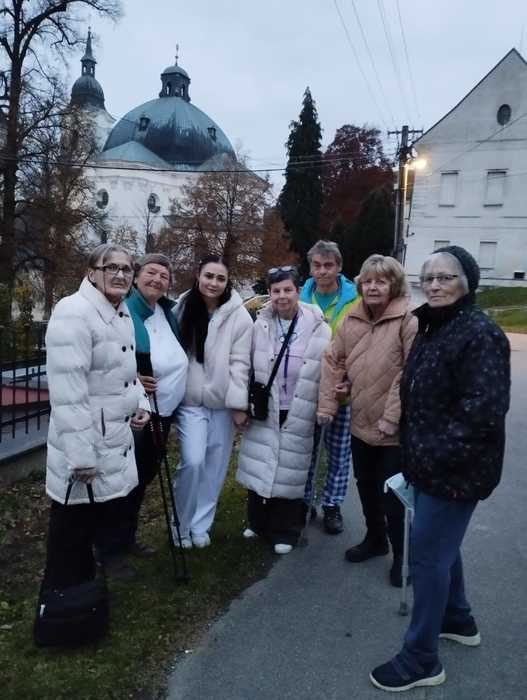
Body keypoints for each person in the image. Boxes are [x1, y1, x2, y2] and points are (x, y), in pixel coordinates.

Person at [370, 246, 510, 692]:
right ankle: (458, 619)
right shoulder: (435, 327)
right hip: (429, 464)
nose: (433, 285)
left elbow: (481, 414)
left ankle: (421, 660)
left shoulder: (479, 334)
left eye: (445, 277)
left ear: (467, 282)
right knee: (441, 547)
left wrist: (429, 456)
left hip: (455, 470)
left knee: (428, 557)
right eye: (427, 277)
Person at [42, 243, 151, 590]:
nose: (120, 274)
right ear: (92, 273)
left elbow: (126, 374)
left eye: (127, 269)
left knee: (101, 517)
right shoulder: (73, 312)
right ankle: (62, 603)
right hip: (85, 444)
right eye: (111, 268)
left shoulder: (120, 311)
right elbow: (67, 393)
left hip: (113, 438)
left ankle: (88, 595)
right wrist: (80, 457)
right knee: (70, 532)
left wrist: (141, 404)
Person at [317, 254, 417, 586]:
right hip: (360, 420)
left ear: (394, 285)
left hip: (393, 429)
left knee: (393, 495)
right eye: (368, 281)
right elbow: (334, 358)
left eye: (381, 281)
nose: (373, 287)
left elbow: (410, 372)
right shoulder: (353, 317)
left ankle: (403, 556)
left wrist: (392, 417)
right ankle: (376, 539)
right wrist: (332, 400)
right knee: (366, 486)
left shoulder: (408, 319)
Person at [236, 266, 331, 554]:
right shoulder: (261, 324)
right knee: (259, 461)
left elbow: (330, 369)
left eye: (288, 289)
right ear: (269, 293)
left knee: (291, 470)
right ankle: (257, 522)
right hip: (266, 406)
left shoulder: (319, 328)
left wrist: (327, 402)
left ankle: (285, 530)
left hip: (300, 406)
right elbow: (247, 365)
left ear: (298, 291)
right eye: (276, 290)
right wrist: (241, 403)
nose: (282, 296)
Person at [173, 255, 252, 549]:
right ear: (198, 275)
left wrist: (238, 405)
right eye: (209, 276)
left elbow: (240, 364)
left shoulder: (239, 316)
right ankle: (180, 525)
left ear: (227, 282)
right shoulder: (181, 308)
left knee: (215, 467)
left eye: (220, 278)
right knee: (193, 462)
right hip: (190, 401)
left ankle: (200, 525)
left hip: (222, 404)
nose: (214, 283)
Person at [121, 253, 189, 556]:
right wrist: (133, 377)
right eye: (151, 272)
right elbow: (112, 356)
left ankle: (126, 538)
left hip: (165, 412)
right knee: (128, 478)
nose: (157, 279)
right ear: (136, 277)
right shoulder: (124, 311)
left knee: (144, 476)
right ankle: (112, 545)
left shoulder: (166, 311)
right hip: (139, 413)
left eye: (164, 276)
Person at [300, 240, 358, 534]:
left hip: (341, 390)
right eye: (317, 265)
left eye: (328, 265)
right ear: (310, 268)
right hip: (306, 388)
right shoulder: (300, 297)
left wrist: (351, 379)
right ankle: (305, 500)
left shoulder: (355, 300)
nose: (322, 271)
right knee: (306, 450)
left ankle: (332, 505)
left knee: (338, 452)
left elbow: (363, 344)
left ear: (339, 267)